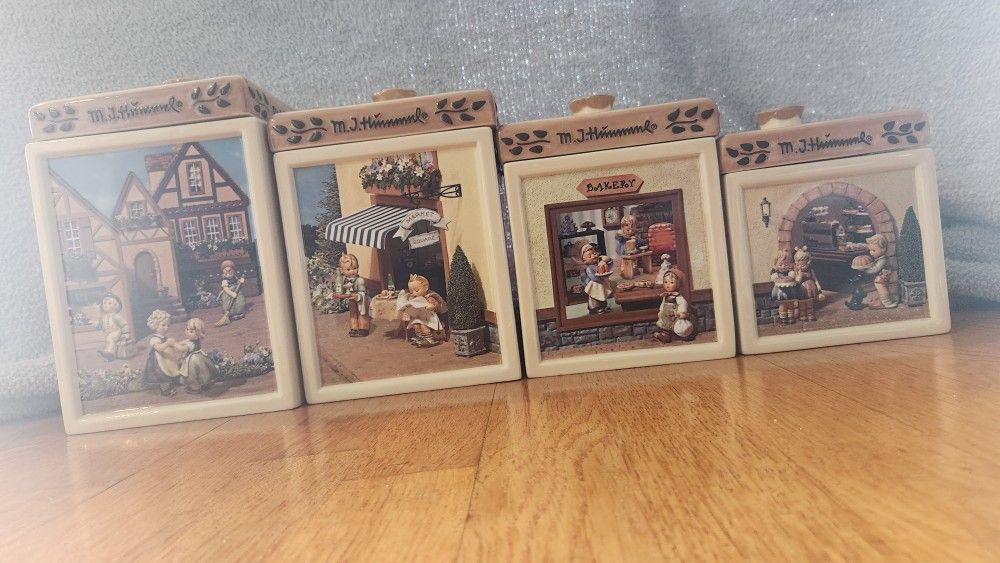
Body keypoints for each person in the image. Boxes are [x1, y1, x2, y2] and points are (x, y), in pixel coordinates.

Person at [396, 274, 448, 347]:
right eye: (411, 292)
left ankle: (429, 339)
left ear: (426, 288)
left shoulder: (429, 297)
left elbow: (436, 305)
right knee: (416, 325)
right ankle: (421, 337)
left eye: (417, 290)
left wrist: (431, 306)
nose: (414, 293)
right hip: (420, 316)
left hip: (430, 318)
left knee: (423, 326)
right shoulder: (414, 298)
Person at [653, 267, 697, 343]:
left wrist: (681, 312)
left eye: (671, 283)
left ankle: (674, 336)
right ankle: (665, 335)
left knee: (677, 326)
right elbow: (663, 304)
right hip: (666, 315)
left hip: (675, 315)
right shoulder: (665, 295)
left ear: (678, 284)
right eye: (666, 282)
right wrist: (661, 311)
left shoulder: (678, 296)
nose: (668, 285)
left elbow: (683, 303)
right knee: (665, 324)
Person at [144, 309, 181, 396]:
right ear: (155, 325)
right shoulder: (154, 339)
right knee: (161, 375)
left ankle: (171, 386)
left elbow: (171, 345)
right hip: (158, 361)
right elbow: (159, 348)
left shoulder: (164, 337)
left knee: (169, 372)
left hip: (166, 359)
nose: (166, 327)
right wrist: (167, 343)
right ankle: (164, 390)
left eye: (168, 325)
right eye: (163, 325)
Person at [177, 318, 219, 394]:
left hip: (193, 360)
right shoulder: (193, 340)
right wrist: (178, 343)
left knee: (192, 373)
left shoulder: (191, 344)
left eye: (191, 331)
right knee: (202, 371)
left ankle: (195, 388)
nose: (187, 332)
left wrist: (173, 344)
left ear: (198, 334)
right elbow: (183, 342)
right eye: (187, 329)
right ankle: (205, 383)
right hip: (200, 356)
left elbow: (182, 348)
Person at [861, 233, 898, 309]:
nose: (871, 252)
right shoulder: (879, 258)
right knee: (881, 288)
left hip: (882, 277)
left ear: (883, 249)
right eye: (870, 250)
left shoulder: (882, 260)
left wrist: (865, 270)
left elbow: (875, 269)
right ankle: (882, 300)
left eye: (874, 250)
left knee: (881, 288)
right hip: (881, 277)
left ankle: (887, 303)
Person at [338, 254, 371, 337]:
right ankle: (354, 328)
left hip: (361, 299)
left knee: (361, 313)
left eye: (355, 268)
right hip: (351, 299)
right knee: (352, 312)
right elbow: (342, 290)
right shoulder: (344, 280)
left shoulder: (359, 280)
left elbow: (363, 292)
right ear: (342, 270)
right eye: (348, 269)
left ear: (358, 267)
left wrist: (358, 296)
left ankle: (363, 328)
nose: (352, 271)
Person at [96, 293, 133, 361]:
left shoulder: (115, 316)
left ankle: (110, 352)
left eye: (109, 303)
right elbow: (102, 324)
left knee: (111, 339)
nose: (106, 305)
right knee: (107, 340)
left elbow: (124, 324)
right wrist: (99, 324)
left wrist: (126, 333)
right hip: (109, 332)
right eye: (104, 303)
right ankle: (107, 353)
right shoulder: (104, 317)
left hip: (116, 331)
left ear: (116, 306)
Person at [580, 243, 614, 314]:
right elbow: (594, 278)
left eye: (594, 253)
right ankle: (594, 308)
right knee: (595, 297)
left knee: (602, 295)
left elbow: (610, 265)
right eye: (589, 256)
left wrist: (606, 260)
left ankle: (603, 306)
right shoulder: (589, 268)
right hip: (595, 286)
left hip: (601, 284)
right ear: (584, 261)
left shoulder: (600, 264)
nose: (593, 256)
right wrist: (602, 278)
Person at [793, 246, 824, 321]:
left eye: (803, 265)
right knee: (802, 303)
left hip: (811, 287)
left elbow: (815, 278)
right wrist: (799, 276)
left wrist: (818, 285)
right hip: (801, 289)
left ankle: (810, 314)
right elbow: (796, 281)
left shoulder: (810, 270)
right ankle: (803, 315)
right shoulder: (796, 272)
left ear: (808, 263)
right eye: (798, 265)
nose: (800, 267)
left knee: (810, 302)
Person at [770, 249, 800, 324]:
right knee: (782, 304)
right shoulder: (775, 273)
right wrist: (782, 279)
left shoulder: (790, 272)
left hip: (790, 290)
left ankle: (791, 317)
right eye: (780, 265)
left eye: (786, 264)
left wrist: (786, 278)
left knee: (790, 304)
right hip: (780, 291)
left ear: (790, 264)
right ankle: (783, 318)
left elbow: (791, 277)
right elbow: (775, 279)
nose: (783, 267)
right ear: (776, 264)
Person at [215, 259, 246, 326]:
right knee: (229, 304)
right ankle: (231, 314)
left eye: (230, 271)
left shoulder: (235, 278)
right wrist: (231, 293)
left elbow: (238, 283)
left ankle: (239, 312)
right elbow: (225, 288)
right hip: (228, 294)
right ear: (223, 273)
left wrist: (241, 281)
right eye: (226, 272)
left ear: (233, 271)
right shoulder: (224, 281)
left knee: (239, 302)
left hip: (237, 292)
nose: (228, 273)